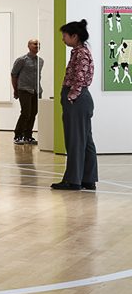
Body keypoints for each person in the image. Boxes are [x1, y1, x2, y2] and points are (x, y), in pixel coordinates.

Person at [53, 19, 98, 191]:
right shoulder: (81, 52)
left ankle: (73, 180)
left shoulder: (80, 53)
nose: (63, 39)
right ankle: (87, 178)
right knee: (85, 140)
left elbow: (79, 79)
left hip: (77, 100)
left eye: (65, 35)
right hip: (81, 99)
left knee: (75, 141)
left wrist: (70, 97)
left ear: (74, 36)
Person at [11, 38, 43, 145]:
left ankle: (28, 136)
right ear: (28, 46)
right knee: (26, 113)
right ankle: (18, 135)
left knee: (33, 113)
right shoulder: (21, 60)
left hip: (36, 91)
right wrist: (15, 90)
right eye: (34, 44)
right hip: (24, 90)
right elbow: (14, 75)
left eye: (38, 44)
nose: (37, 46)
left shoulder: (40, 61)